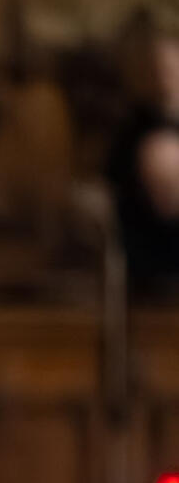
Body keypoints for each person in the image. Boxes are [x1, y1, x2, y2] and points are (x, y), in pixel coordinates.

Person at [107, 24, 179, 292]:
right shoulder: (134, 129)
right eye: (159, 69)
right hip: (152, 252)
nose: (165, 78)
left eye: (171, 68)